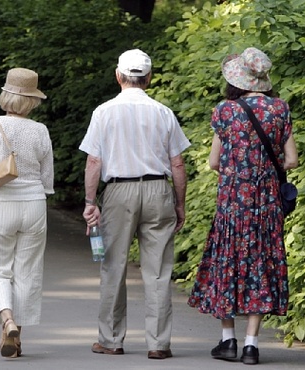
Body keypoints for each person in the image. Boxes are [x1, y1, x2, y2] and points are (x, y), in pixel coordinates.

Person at [187, 47, 299, 365]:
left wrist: (239, 167)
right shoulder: (280, 108)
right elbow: (292, 159)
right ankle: (251, 345)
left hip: (233, 203)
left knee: (229, 263)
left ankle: (228, 341)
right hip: (267, 204)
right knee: (261, 264)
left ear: (237, 78)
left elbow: (213, 162)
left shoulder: (225, 110)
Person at [79, 49, 191, 360]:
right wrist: (179, 203)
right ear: (149, 78)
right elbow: (178, 163)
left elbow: (94, 160)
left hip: (118, 192)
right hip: (158, 190)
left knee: (113, 265)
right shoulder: (163, 112)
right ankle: (158, 343)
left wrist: (91, 201)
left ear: (118, 76)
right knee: (157, 271)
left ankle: (111, 339)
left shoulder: (104, 112)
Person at [0, 67, 54, 358]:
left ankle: (7, 320)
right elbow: (47, 179)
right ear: (32, 101)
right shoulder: (40, 130)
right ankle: (14, 340)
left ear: (5, 95)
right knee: (27, 272)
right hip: (34, 205)